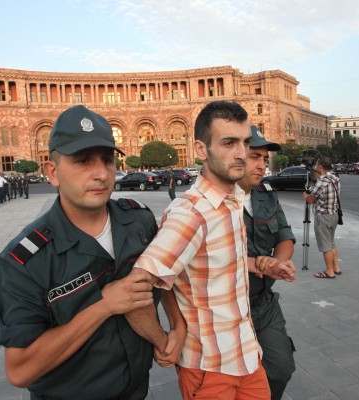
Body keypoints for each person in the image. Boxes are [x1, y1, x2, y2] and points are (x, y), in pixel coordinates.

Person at [0, 105, 183, 399]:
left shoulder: (139, 220)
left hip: (136, 390)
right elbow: (20, 370)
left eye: (107, 161)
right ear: (53, 172)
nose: (101, 174)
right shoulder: (26, 259)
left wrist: (176, 325)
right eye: (83, 161)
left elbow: (163, 274)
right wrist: (104, 305)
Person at [131, 101, 272, 399]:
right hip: (210, 369)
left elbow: (208, 263)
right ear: (200, 149)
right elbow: (138, 286)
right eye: (229, 143)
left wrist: (260, 263)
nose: (241, 153)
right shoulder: (190, 214)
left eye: (245, 142)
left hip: (247, 354)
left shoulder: (232, 198)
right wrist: (167, 335)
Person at [238, 126, 297, 400]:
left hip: (264, 304)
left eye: (264, 158)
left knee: (280, 368)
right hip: (231, 310)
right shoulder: (214, 202)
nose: (263, 165)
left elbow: (285, 234)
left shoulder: (266, 192)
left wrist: (277, 264)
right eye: (255, 157)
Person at [303, 157, 342, 278]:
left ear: (320, 166)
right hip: (334, 215)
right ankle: (336, 268)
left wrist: (305, 196)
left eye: (316, 165)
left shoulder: (321, 183)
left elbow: (310, 200)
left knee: (326, 246)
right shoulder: (335, 178)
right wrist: (313, 170)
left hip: (323, 217)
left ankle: (329, 272)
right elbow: (320, 178)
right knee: (331, 243)